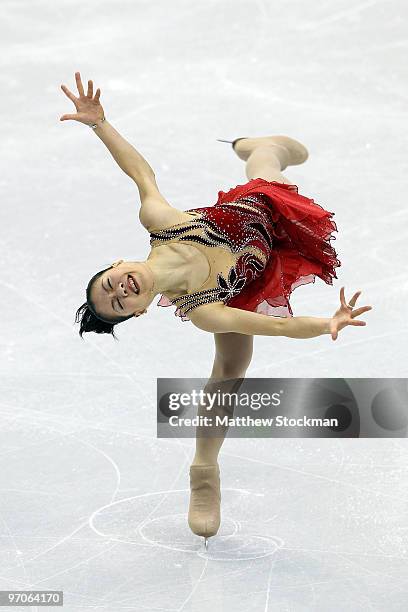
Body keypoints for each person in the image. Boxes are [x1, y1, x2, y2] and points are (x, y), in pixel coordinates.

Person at [60, 72, 373, 546]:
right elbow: (281, 329)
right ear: (141, 310)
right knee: (230, 369)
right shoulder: (204, 310)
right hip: (243, 284)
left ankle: (258, 145)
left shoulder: (161, 223)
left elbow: (140, 172)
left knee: (267, 171)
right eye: (120, 303)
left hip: (261, 214)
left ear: (118, 264)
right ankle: (203, 472)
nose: (121, 290)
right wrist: (327, 322)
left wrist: (100, 124)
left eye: (111, 284)